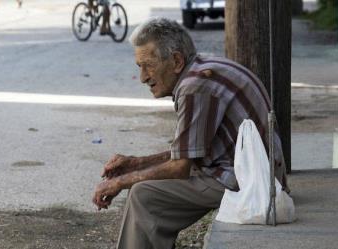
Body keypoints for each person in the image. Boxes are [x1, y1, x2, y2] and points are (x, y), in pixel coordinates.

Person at [92, 18, 288, 249]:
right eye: (140, 67)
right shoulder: (200, 68)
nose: (143, 77)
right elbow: (189, 151)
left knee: (144, 195)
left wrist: (120, 182)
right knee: (145, 188)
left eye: (149, 65)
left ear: (176, 60)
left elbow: (180, 167)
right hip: (254, 171)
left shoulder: (195, 86)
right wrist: (136, 163)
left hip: (255, 183)